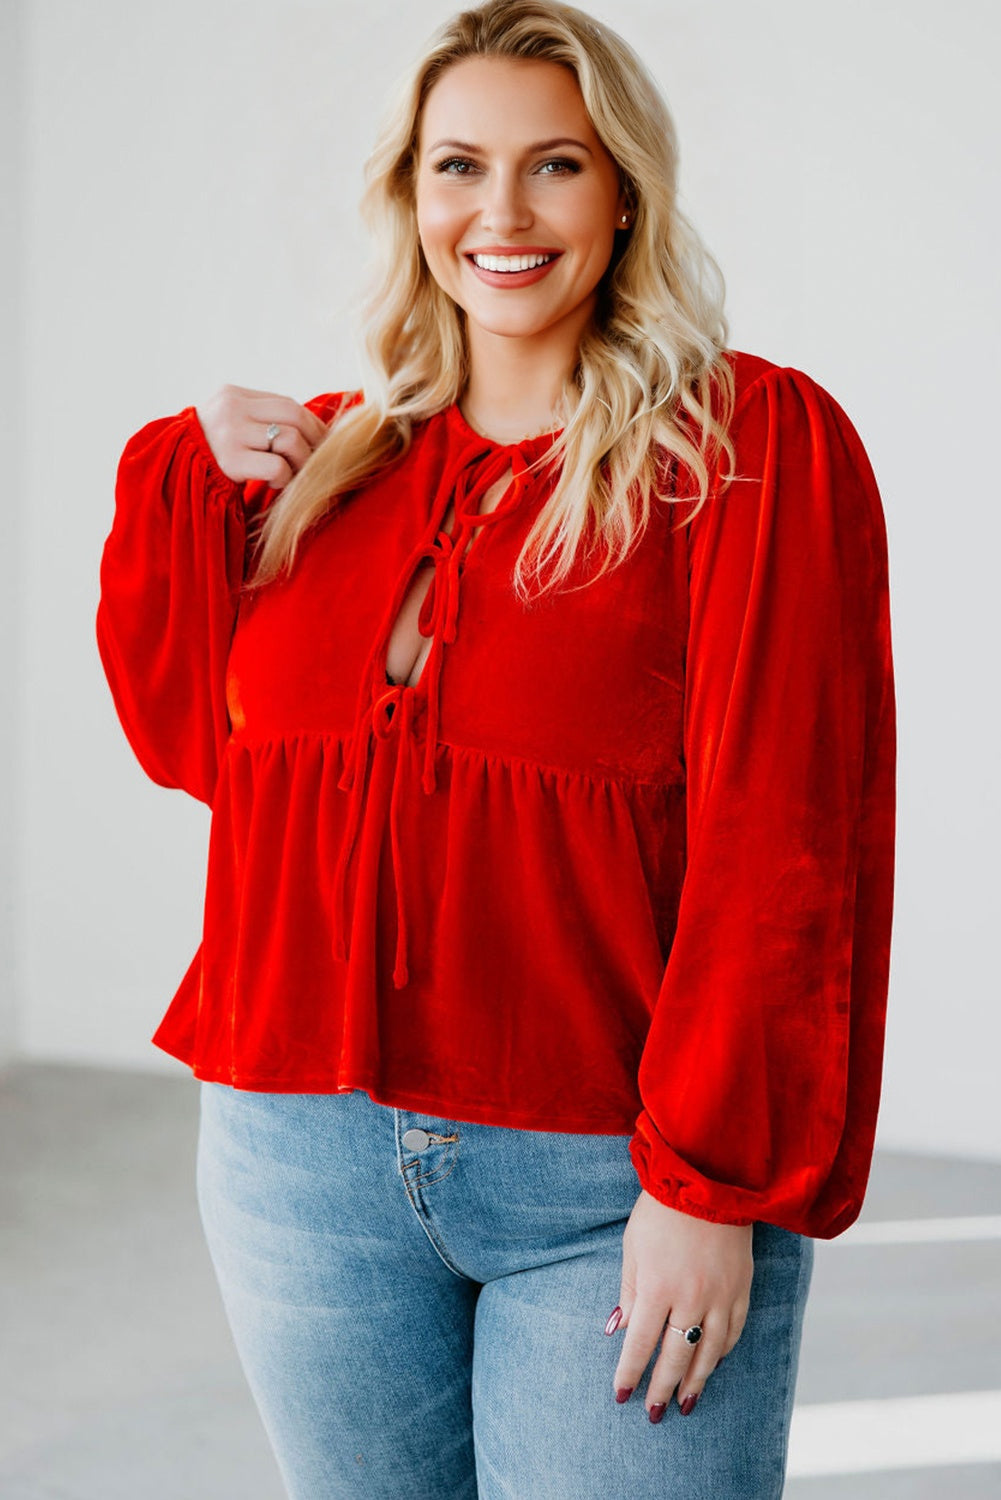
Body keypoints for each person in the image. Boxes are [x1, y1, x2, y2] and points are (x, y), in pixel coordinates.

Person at [96, 1, 896, 1495]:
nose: (502, 213)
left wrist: (705, 1186)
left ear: (625, 193)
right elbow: (189, 750)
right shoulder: (316, 470)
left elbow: (782, 842)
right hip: (292, 1159)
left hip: (603, 1178)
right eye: (459, 165)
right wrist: (175, 487)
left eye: (558, 166)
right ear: (410, 195)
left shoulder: (744, 453)